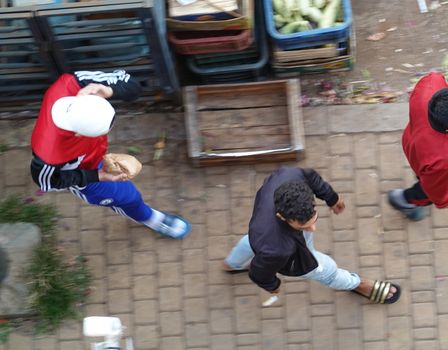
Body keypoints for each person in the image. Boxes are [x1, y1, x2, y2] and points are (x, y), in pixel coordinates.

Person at [30, 70, 191, 239]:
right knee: (127, 196)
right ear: (78, 134)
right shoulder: (48, 157)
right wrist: (97, 175)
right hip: (86, 169)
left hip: (91, 153)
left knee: (126, 194)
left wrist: (108, 90)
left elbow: (132, 86)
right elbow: (48, 181)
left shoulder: (75, 81)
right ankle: (151, 219)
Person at [224, 166, 401, 304]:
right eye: (305, 225)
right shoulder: (277, 249)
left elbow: (311, 177)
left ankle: (232, 263)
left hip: (259, 229)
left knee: (252, 242)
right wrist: (273, 286)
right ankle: (359, 284)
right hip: (281, 248)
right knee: (326, 270)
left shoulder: (290, 175)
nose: (313, 228)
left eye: (313, 218)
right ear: (282, 216)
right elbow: (258, 272)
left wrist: (331, 197)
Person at [388, 72, 448, 221]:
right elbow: (434, 187)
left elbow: (438, 77)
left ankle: (416, 183)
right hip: (438, 167)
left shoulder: (431, 83)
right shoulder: (445, 157)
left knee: (424, 173)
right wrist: (443, 201)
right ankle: (405, 200)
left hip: (412, 142)